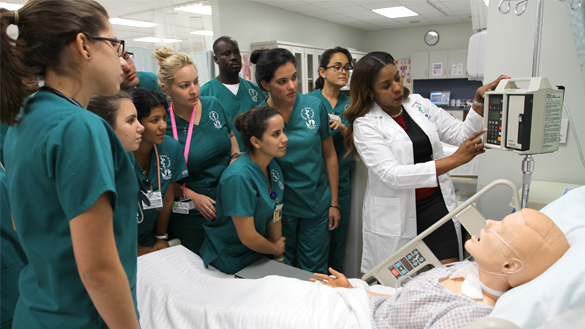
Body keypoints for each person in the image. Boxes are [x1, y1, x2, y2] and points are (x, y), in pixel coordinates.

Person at [0, 1, 141, 328]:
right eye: (115, 44)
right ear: (83, 45)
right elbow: (99, 271)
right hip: (81, 317)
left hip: (36, 311)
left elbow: (22, 222)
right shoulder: (79, 127)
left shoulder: (24, 119)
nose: (122, 59)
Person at [344, 51, 509, 272]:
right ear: (369, 92)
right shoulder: (365, 125)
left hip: (435, 204)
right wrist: (455, 160)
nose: (396, 87)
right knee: (404, 283)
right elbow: (393, 175)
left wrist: (478, 101)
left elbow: (460, 135)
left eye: (397, 78)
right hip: (397, 215)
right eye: (385, 85)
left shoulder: (418, 104)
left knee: (448, 276)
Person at [312, 208, 570, 328]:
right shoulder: (465, 270)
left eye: (500, 228)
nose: (489, 221)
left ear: (509, 265)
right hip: (364, 304)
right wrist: (355, 291)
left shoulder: (467, 315)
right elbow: (403, 303)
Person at [251, 48, 340, 273]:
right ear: (265, 84)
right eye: (282, 81)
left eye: (294, 77)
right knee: (283, 266)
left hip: (316, 202)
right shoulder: (259, 117)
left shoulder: (314, 106)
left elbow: (329, 155)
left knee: (315, 268)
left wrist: (334, 203)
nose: (292, 86)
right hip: (280, 208)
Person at [154, 45, 240, 255]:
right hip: (191, 211)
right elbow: (161, 176)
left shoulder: (213, 105)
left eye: (196, 82)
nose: (194, 90)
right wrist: (192, 195)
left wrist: (236, 156)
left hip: (228, 201)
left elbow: (229, 136)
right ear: (166, 89)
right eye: (184, 85)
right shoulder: (162, 124)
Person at [200, 106, 288, 274]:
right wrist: (275, 249)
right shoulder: (239, 178)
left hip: (259, 251)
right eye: (276, 134)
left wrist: (278, 256)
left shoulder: (273, 166)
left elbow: (276, 210)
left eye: (284, 131)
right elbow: (248, 237)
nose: (285, 139)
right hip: (231, 256)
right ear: (256, 142)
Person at [306, 47, 353, 272]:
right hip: (311, 180)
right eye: (337, 67)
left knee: (336, 239)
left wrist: (343, 128)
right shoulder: (307, 102)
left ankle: (335, 285)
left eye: (346, 68)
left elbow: (359, 143)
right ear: (322, 72)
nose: (343, 72)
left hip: (341, 180)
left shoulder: (353, 104)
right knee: (311, 242)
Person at [128, 87, 188, 256]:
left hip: (148, 238)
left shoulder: (170, 148)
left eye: (164, 118)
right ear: (136, 123)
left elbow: (167, 198)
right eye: (154, 120)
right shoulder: (118, 155)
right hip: (117, 243)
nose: (163, 125)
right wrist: (134, 249)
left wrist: (160, 236)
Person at [200, 36, 264, 150]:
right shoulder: (205, 93)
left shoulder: (254, 90)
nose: (233, 57)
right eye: (226, 54)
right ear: (216, 59)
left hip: (255, 158)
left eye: (236, 52)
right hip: (224, 162)